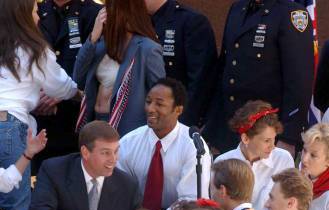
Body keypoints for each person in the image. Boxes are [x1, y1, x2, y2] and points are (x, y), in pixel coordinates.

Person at [0, 0, 78, 210]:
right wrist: (75, 94)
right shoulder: (34, 48)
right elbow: (63, 85)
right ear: (21, 14)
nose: (38, 15)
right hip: (12, 130)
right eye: (33, 9)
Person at [203, 0, 314, 156]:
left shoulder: (292, 14)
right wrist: (213, 128)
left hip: (265, 134)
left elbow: (299, 82)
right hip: (229, 129)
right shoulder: (238, 8)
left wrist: (288, 137)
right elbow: (226, 68)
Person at [73, 0, 165, 137]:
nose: (105, 13)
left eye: (110, 8)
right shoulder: (101, 44)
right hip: (95, 123)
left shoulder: (147, 49)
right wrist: (93, 36)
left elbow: (160, 95)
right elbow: (78, 77)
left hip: (127, 129)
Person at [118, 78, 211, 210]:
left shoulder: (193, 146)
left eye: (159, 104)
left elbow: (191, 201)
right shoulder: (129, 142)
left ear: (178, 110)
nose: (150, 109)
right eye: (148, 102)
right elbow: (118, 190)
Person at [33, 0, 102, 170]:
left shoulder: (94, 13)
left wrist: (59, 93)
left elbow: (97, 67)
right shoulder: (34, 11)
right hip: (38, 119)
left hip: (75, 121)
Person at [214, 101, 294, 210]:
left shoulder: (283, 159)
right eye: (266, 141)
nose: (272, 146)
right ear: (245, 138)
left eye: (274, 139)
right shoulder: (223, 163)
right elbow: (217, 209)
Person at [145, 0, 218, 127]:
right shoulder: (138, 22)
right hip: (147, 117)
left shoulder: (190, 21)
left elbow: (200, 81)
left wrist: (182, 123)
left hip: (176, 117)